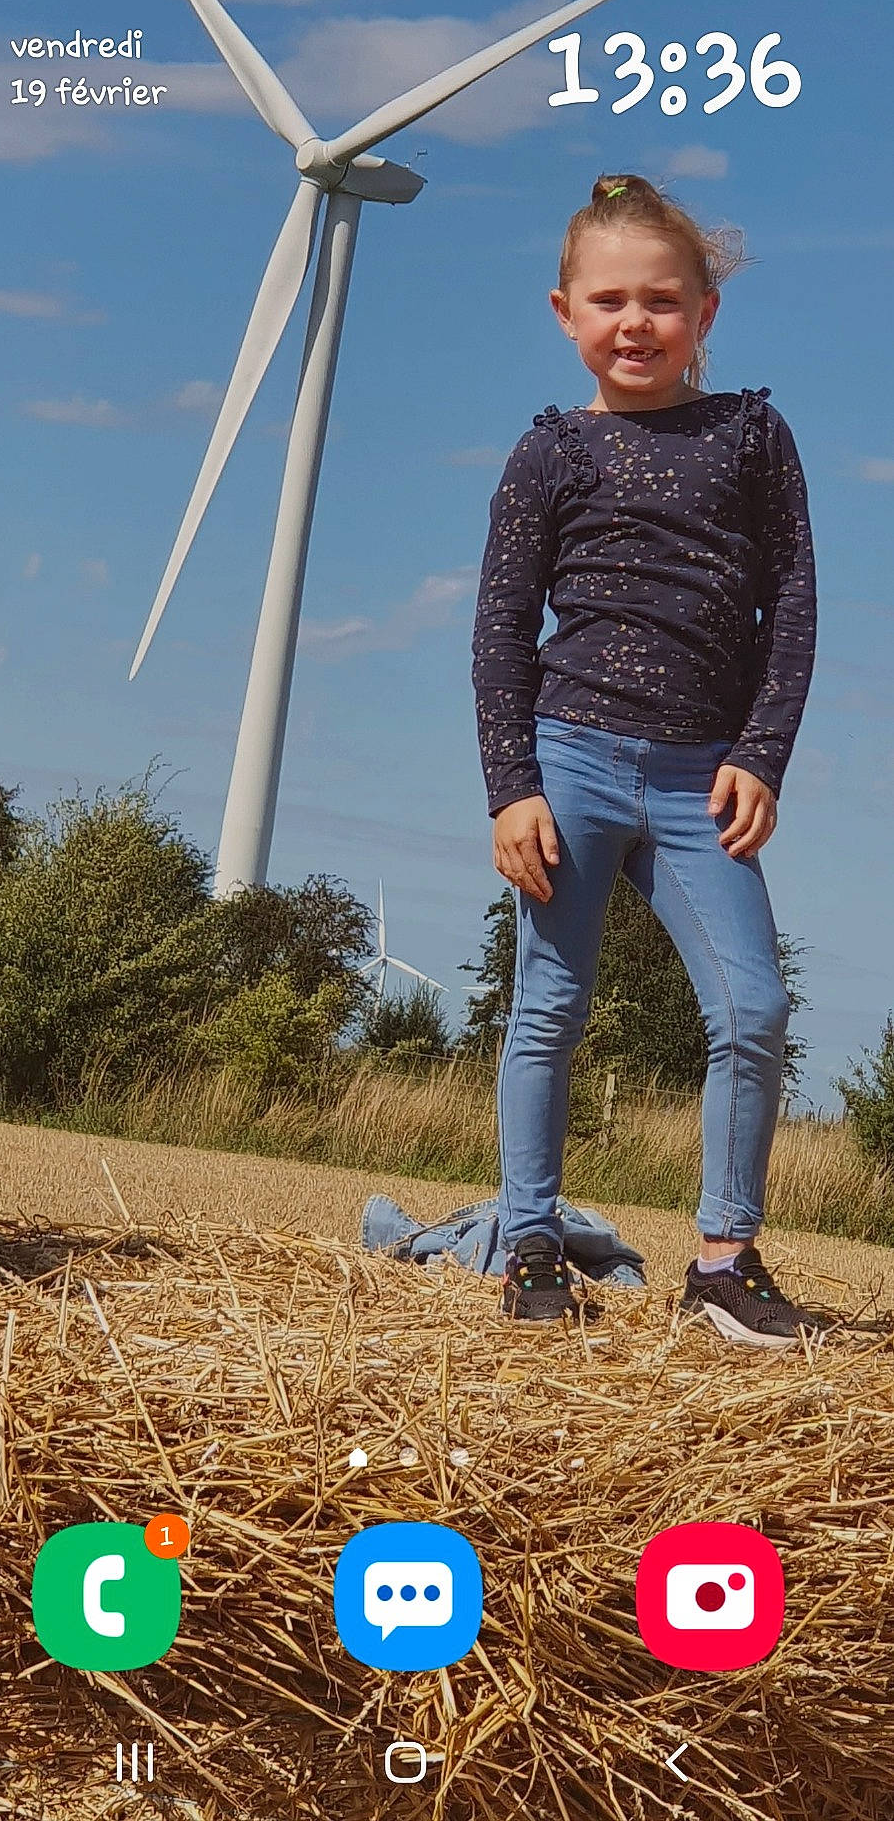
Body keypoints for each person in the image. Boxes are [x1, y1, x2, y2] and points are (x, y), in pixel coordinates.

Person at [471, 173, 822, 1345]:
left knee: (755, 1007)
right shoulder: (548, 454)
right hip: (567, 757)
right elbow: (500, 629)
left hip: (697, 776)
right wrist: (510, 786)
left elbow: (793, 603)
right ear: (563, 311)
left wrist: (762, 751)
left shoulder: (753, 437)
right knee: (548, 1005)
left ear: (706, 311)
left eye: (661, 300)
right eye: (609, 299)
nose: (636, 322)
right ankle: (528, 1237)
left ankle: (723, 1257)